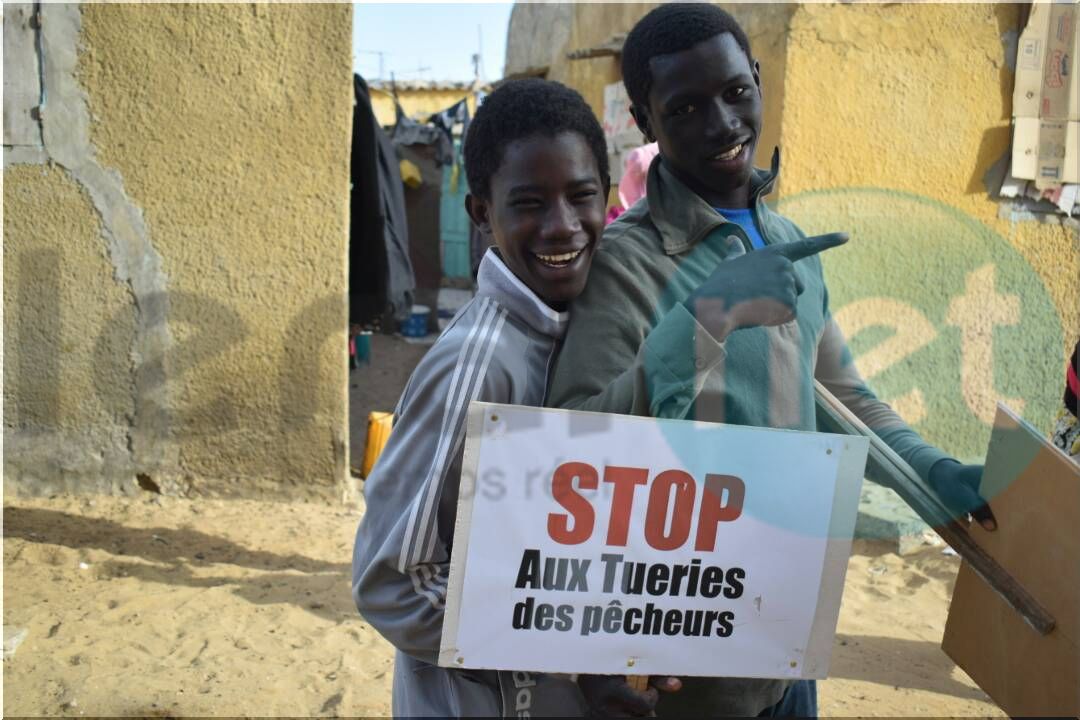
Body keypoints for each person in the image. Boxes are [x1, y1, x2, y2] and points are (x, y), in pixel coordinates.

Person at [546, 4, 997, 717]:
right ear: (644, 120)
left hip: (787, 627)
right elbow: (571, 443)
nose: (722, 124)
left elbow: (841, 397)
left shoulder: (788, 243)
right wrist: (703, 323)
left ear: (757, 80)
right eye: (686, 108)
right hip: (685, 645)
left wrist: (930, 472)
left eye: (735, 92)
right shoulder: (626, 265)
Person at [351, 78, 610, 717]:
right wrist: (544, 658)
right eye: (528, 203)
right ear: (481, 214)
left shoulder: (580, 327)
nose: (561, 226)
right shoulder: (479, 364)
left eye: (582, 195)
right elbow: (392, 582)